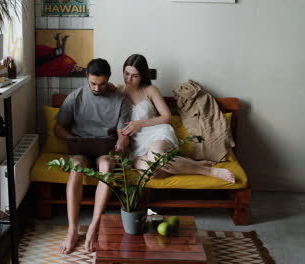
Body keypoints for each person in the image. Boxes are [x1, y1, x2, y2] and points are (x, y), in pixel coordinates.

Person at [118, 54, 235, 182]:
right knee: (151, 173)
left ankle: (209, 171)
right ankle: (190, 164)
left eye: (134, 76)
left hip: (153, 134)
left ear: (142, 76)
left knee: (158, 159)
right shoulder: (117, 91)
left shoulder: (150, 90)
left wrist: (139, 124)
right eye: (126, 73)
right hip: (134, 143)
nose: (129, 79)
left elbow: (166, 117)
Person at [54, 58, 130, 254]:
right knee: (76, 168)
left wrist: (121, 144)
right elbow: (58, 128)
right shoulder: (75, 96)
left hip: (105, 147)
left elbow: (123, 133)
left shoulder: (119, 100)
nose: (97, 88)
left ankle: (94, 227)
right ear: (87, 77)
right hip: (80, 146)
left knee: (106, 167)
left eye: (102, 83)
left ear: (108, 79)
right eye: (93, 83)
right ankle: (72, 230)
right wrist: (72, 139)